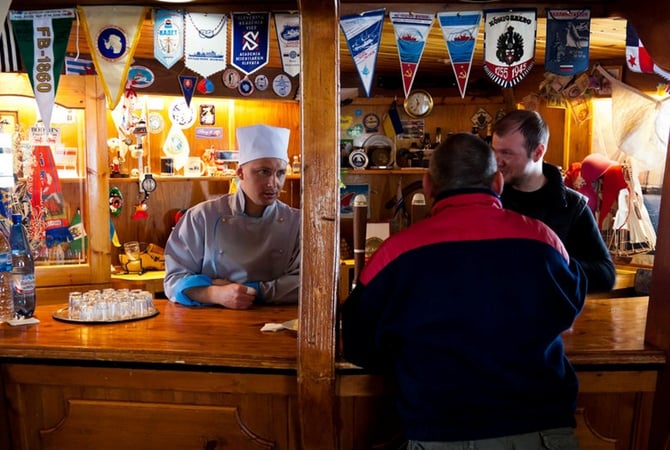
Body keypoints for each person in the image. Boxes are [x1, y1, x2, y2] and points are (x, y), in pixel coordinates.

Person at [341, 133, 586, 448]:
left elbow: (358, 341)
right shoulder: (545, 241)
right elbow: (569, 312)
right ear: (497, 182)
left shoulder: (394, 254)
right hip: (541, 431)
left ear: (428, 186)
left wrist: (410, 357)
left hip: (440, 433)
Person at [164, 124, 300, 309]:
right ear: (240, 172)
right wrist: (215, 293)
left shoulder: (297, 222)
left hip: (277, 321)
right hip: (213, 323)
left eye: (280, 173)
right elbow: (174, 280)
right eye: (263, 172)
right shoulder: (202, 217)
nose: (272, 183)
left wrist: (251, 291)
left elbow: (307, 282)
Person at [492, 109, 616, 293]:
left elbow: (606, 275)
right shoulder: (489, 199)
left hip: (551, 317)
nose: (497, 161)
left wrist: (551, 264)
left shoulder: (573, 207)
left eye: (507, 153)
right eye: (494, 151)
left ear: (538, 152)